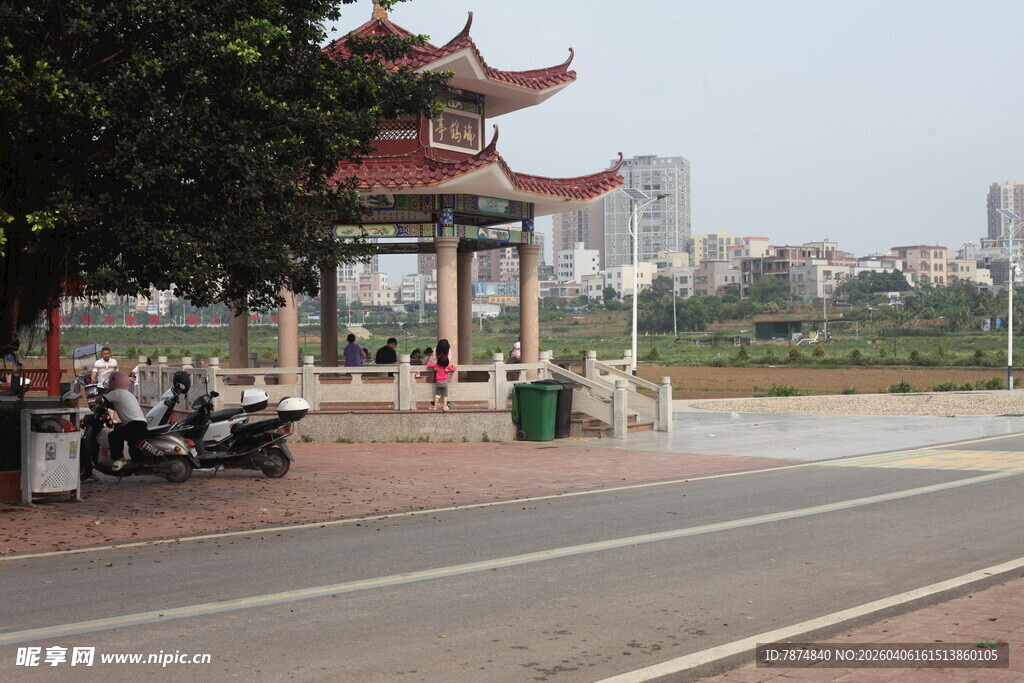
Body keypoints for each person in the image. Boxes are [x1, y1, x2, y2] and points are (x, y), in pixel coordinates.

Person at [102, 371, 148, 471]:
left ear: (114, 381)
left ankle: (120, 459)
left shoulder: (116, 393)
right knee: (119, 428)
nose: (109, 382)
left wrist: (107, 390)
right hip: (140, 424)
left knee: (113, 436)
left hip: (134, 425)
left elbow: (99, 400)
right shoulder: (126, 393)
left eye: (111, 380)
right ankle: (136, 458)